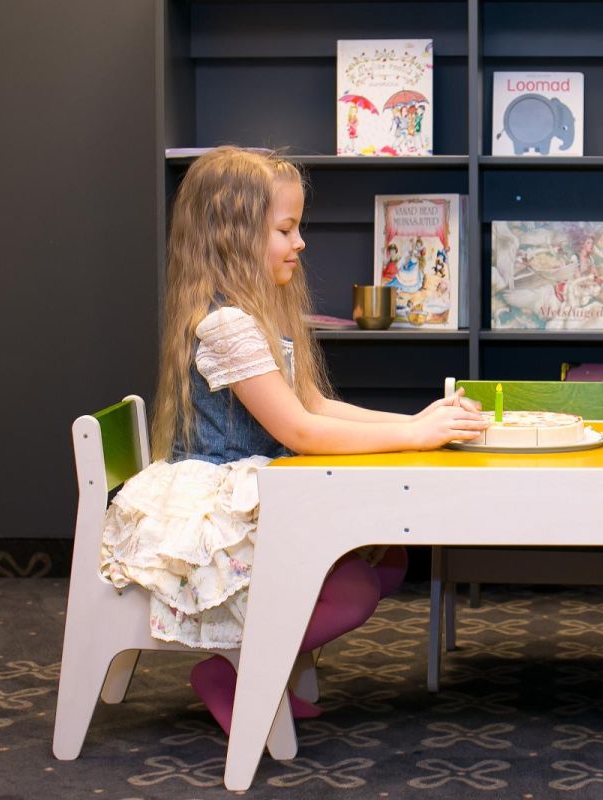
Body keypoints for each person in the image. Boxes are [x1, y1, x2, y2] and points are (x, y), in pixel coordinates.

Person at [99, 146, 487, 734]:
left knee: (388, 561)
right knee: (353, 591)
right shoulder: (227, 325)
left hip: (259, 485)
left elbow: (316, 404)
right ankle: (232, 675)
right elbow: (299, 430)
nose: (300, 242)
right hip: (223, 503)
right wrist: (414, 433)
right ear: (232, 237)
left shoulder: (256, 316)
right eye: (285, 229)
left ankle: (267, 670)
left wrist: (414, 421)